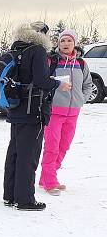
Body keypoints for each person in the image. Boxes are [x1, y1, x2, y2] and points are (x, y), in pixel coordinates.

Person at [2, 21, 71, 210]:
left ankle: (10, 195)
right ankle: (25, 200)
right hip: (33, 110)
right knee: (29, 155)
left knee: (14, 153)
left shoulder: (16, 49)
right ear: (43, 35)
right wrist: (58, 84)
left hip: (15, 108)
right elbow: (41, 80)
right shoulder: (38, 50)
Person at [39, 28, 93, 195]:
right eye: (62, 40)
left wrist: (80, 100)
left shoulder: (81, 64)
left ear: (74, 43)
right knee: (52, 147)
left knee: (64, 147)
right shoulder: (52, 61)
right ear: (58, 43)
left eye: (69, 40)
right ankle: (50, 181)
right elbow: (44, 81)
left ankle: (47, 177)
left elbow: (88, 85)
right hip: (54, 112)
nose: (66, 43)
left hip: (73, 113)